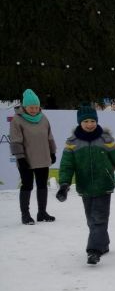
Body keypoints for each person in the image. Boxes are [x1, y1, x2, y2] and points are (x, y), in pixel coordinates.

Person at [56, 105, 115, 265]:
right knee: (91, 220)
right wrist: (64, 184)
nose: (89, 124)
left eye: (92, 121)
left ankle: (94, 250)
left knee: (99, 218)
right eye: (86, 121)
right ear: (79, 123)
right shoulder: (72, 143)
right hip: (85, 187)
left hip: (104, 185)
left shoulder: (106, 140)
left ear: (97, 121)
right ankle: (102, 244)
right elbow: (66, 165)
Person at [9, 89, 58, 225]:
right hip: (26, 160)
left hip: (42, 158)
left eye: (36, 107)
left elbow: (50, 137)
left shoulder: (43, 118)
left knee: (42, 185)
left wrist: (52, 152)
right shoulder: (17, 120)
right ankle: (25, 215)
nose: (34, 110)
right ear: (24, 106)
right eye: (31, 107)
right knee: (27, 186)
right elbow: (15, 140)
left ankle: (42, 212)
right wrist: (20, 158)